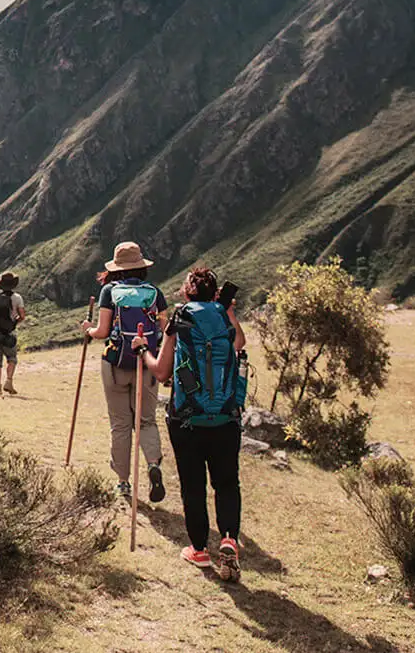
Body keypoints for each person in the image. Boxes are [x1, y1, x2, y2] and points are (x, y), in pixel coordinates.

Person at [143, 267, 249, 579]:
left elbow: (162, 372)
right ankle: (229, 538)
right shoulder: (222, 316)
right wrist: (227, 311)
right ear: (214, 293)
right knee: (227, 482)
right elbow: (239, 344)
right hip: (226, 418)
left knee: (194, 486)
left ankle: (199, 550)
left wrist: (142, 353)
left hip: (187, 418)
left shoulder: (180, 319)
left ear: (188, 293)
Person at [80, 242, 169, 504]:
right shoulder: (155, 293)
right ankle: (153, 464)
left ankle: (123, 483)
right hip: (147, 363)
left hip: (115, 364)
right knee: (147, 421)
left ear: (117, 268)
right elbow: (164, 330)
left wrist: (88, 329)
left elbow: (103, 332)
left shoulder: (110, 291)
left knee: (120, 424)